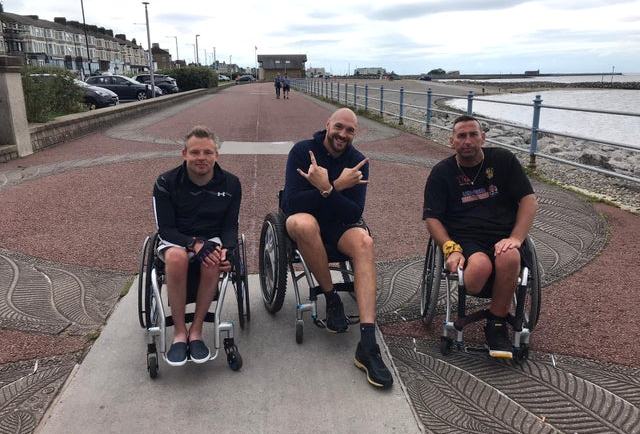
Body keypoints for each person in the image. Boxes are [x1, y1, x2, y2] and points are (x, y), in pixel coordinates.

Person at [281, 108, 393, 389]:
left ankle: (368, 344)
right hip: (303, 222)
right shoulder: (302, 151)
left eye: (350, 130)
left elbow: (354, 212)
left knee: (365, 241)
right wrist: (336, 186)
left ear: (355, 133)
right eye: (339, 127)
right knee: (305, 224)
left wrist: (328, 189)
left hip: (339, 225)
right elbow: (292, 203)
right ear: (327, 124)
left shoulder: (358, 161)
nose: (343, 134)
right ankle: (331, 298)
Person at [422, 114, 537, 359]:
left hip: (503, 234)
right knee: (477, 274)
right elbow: (432, 218)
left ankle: (496, 324)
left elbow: (529, 201)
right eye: (461, 136)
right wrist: (450, 247)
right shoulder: (442, 173)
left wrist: (516, 238)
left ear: (482, 137)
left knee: (510, 257)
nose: (467, 141)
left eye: (473, 134)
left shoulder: (504, 160)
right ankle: (497, 296)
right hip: (466, 238)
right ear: (452, 141)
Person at [153, 126, 241, 366]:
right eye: (195, 152)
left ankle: (196, 331)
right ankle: (179, 332)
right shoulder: (165, 182)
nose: (201, 157)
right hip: (177, 239)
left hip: (211, 237)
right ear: (184, 154)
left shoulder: (232, 183)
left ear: (216, 155)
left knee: (213, 257)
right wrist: (193, 244)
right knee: (177, 258)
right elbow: (165, 229)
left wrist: (229, 250)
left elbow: (230, 226)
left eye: (207, 152)